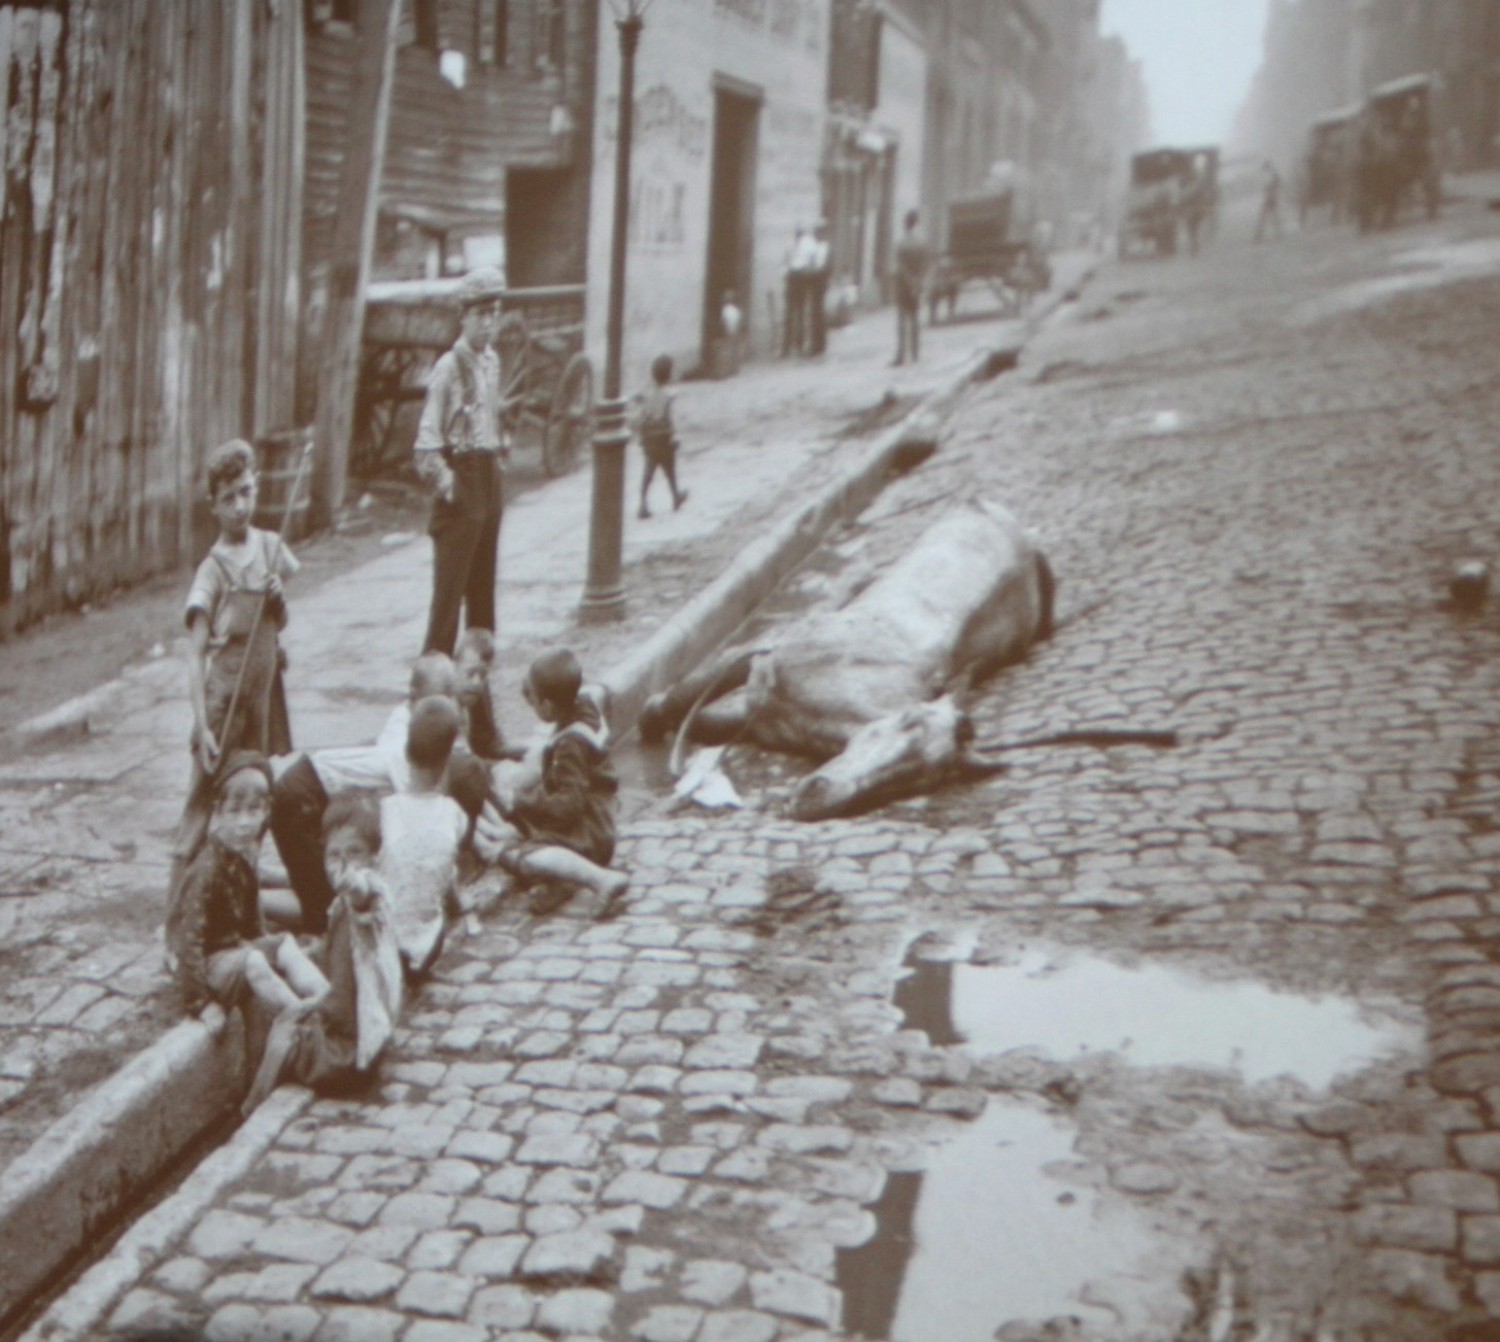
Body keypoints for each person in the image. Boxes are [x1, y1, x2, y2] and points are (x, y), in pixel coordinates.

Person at [268, 652, 490, 932]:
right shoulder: (404, 760)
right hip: (299, 795)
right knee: (329, 913)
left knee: (327, 881)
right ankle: (258, 901)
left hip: (308, 787)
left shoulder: (413, 739)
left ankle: (279, 879)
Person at [169, 440, 299, 907]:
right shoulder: (213, 568)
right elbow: (195, 653)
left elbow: (276, 624)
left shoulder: (270, 547)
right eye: (228, 498)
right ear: (214, 505)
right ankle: (177, 911)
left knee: (255, 793)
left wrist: (278, 599)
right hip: (223, 702)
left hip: (261, 699)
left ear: (256, 486)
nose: (240, 506)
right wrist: (203, 724)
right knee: (202, 803)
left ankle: (240, 892)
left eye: (246, 492)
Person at [243, 794, 403, 1114]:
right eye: (333, 855)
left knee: (282, 1031)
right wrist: (314, 953)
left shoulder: (366, 899)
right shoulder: (343, 905)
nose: (343, 865)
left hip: (346, 1053)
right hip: (365, 1035)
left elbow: (363, 895)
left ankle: (251, 1107)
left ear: (375, 857)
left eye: (355, 853)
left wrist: (307, 1008)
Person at [164, 751, 329, 1022]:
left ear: (266, 810)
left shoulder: (247, 852)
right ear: (218, 811)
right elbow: (189, 940)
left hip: (240, 950)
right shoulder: (206, 869)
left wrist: (268, 947)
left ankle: (327, 999)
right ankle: (299, 1019)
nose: (244, 822)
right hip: (212, 964)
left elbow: (254, 914)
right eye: (234, 811)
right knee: (253, 960)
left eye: (254, 810)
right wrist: (201, 1004)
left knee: (284, 944)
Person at [476, 648, 628, 919]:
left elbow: (567, 808)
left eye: (533, 700)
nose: (530, 703)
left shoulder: (570, 747)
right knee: (525, 822)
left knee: (522, 855)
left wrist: (520, 801)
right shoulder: (583, 707)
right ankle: (563, 882)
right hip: (598, 817)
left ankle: (600, 879)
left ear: (547, 707)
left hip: (590, 831)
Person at [415, 265, 508, 658]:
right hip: (461, 483)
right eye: (480, 314)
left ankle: (477, 676)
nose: (488, 323)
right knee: (449, 597)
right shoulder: (447, 369)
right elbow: (424, 447)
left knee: (483, 592)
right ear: (463, 316)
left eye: (493, 313)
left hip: (489, 480)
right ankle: (433, 679)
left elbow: (492, 417)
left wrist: (498, 462)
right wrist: (451, 487)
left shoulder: (492, 362)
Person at [380, 695, 471, 982]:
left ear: (406, 754)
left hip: (387, 944)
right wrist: (458, 904)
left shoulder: (384, 810)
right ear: (447, 762)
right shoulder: (455, 815)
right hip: (428, 947)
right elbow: (447, 873)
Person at [631, 354, 688, 519]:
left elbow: (639, 408)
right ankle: (675, 497)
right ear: (668, 375)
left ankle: (643, 503)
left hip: (649, 439)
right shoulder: (667, 396)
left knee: (648, 472)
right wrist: (674, 436)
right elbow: (669, 419)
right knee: (670, 470)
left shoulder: (646, 393)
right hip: (663, 438)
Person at [892, 209, 931, 367]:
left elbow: (899, 265)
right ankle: (915, 353)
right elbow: (926, 264)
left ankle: (901, 355)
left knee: (902, 319)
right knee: (915, 318)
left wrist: (909, 280)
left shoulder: (901, 242)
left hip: (903, 284)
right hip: (917, 284)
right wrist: (918, 281)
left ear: (906, 224)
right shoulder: (922, 242)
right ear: (917, 223)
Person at [781, 226, 810, 357]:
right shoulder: (789, 247)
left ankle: (800, 344)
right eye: (797, 234)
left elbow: (808, 263)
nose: (798, 236)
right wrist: (786, 274)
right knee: (789, 313)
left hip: (801, 278)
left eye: (800, 234)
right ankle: (786, 346)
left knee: (801, 312)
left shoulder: (806, 248)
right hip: (792, 277)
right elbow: (785, 262)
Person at [805, 219, 831, 356]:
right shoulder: (814, 247)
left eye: (819, 231)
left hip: (820, 282)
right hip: (813, 281)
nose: (817, 234)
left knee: (818, 313)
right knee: (815, 313)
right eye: (816, 231)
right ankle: (816, 344)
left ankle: (819, 345)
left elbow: (825, 266)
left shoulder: (825, 247)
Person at [1254, 160, 1283, 242]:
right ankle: (1277, 233)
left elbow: (1275, 184)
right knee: (1272, 216)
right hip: (1271, 198)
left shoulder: (1271, 175)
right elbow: (1277, 183)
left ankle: (1260, 234)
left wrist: (1270, 189)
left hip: (1270, 199)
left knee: (1266, 217)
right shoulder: (1272, 175)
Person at [718, 289, 744, 377]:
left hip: (728, 332)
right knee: (735, 351)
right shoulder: (736, 309)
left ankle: (727, 370)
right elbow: (740, 321)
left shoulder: (725, 310)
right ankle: (734, 369)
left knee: (727, 351)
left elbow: (723, 322)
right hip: (736, 331)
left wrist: (723, 331)